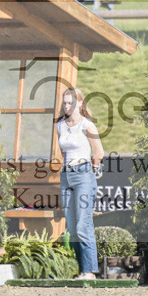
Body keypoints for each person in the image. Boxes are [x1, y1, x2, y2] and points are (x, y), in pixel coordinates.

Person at [56, 86, 104, 280]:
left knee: (84, 225)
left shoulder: (87, 125)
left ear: (80, 103)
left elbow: (99, 152)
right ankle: (80, 269)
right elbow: (63, 150)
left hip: (83, 173)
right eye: (65, 103)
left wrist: (90, 169)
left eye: (71, 103)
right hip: (66, 175)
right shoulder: (60, 125)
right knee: (72, 226)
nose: (67, 106)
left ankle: (89, 271)